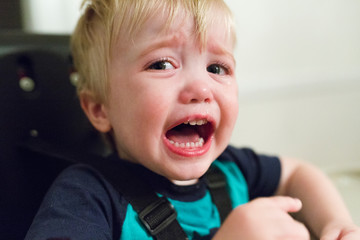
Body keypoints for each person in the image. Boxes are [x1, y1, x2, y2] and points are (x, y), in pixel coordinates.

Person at [25, 0, 360, 239]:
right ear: (100, 109)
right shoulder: (87, 196)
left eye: (217, 68)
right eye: (161, 64)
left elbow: (299, 173)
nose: (201, 88)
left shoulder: (230, 171)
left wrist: (336, 224)